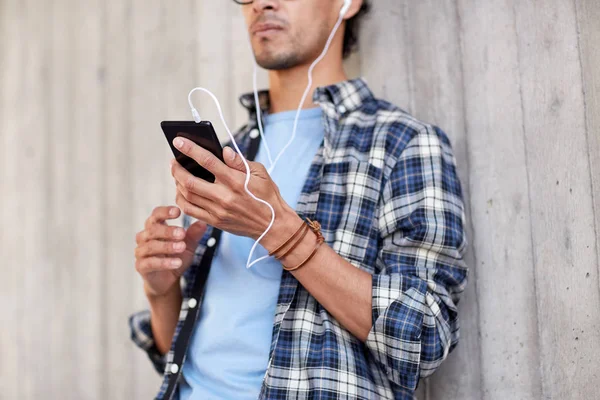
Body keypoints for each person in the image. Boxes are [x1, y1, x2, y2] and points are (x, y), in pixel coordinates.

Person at [130, 0, 468, 399]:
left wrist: (280, 232)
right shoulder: (227, 155)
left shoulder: (401, 144)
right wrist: (162, 290)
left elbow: (424, 337)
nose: (262, 3)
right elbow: (183, 353)